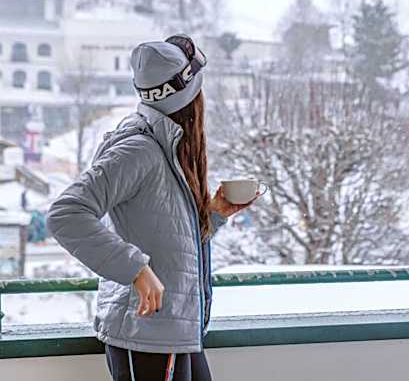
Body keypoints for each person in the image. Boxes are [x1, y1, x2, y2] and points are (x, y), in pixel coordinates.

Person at [48, 35, 254, 381]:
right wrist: (136, 270)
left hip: (175, 328)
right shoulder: (139, 151)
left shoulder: (166, 149)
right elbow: (65, 214)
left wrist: (214, 214)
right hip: (147, 334)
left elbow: (165, 234)